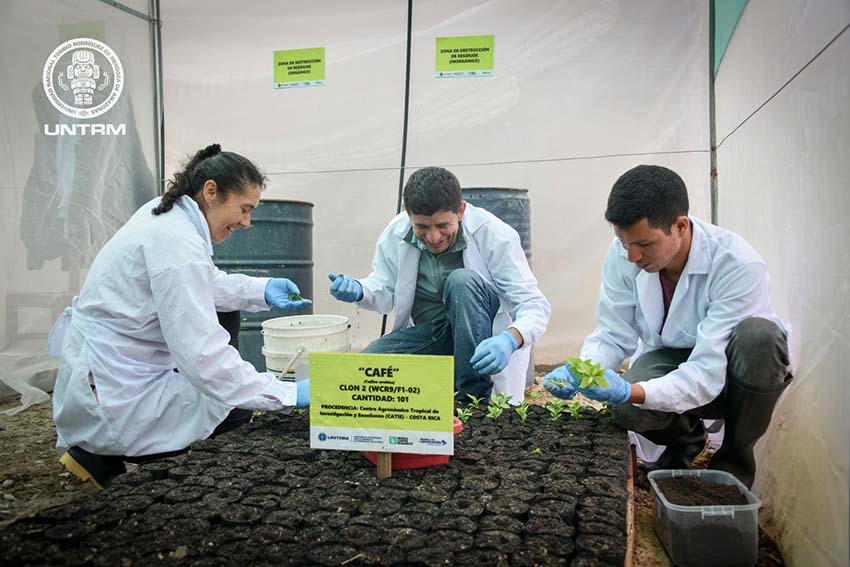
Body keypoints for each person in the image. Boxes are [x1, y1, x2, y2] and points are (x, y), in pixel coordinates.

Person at [50, 144, 312, 489]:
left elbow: (203, 282)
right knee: (231, 405)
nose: (247, 222)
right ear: (211, 192)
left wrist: (258, 289)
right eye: (244, 209)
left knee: (225, 323)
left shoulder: (169, 217)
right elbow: (204, 357)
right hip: (115, 390)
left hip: (110, 369)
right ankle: (160, 474)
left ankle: (97, 453)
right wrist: (285, 394)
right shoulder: (175, 239)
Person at [544, 165, 792, 488]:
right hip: (673, 358)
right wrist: (582, 369)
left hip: (733, 376)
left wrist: (633, 390)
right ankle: (686, 439)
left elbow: (706, 369)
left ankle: (733, 462)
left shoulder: (737, 265)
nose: (632, 255)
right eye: (623, 242)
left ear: (680, 225)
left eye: (644, 244)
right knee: (627, 410)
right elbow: (613, 332)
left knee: (760, 338)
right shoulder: (625, 254)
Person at [328, 166, 550, 402]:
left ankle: (472, 400)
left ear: (461, 210)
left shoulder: (494, 235)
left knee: (462, 281)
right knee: (368, 365)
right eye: (422, 227)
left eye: (443, 225)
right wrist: (360, 290)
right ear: (408, 213)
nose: (433, 237)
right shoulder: (395, 234)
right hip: (431, 335)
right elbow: (385, 290)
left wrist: (510, 338)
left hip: (480, 341)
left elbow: (533, 304)